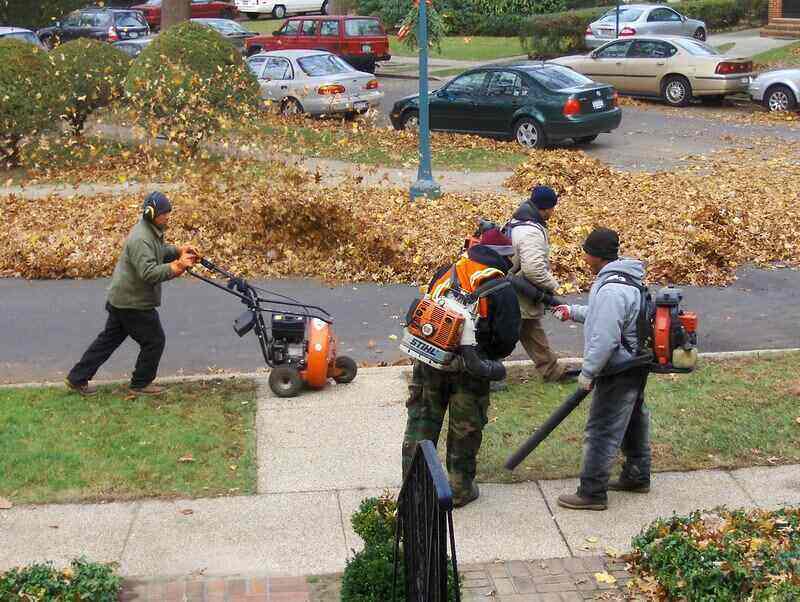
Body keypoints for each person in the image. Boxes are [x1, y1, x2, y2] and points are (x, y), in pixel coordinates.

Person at [402, 228, 521, 508]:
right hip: (472, 370)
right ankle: (459, 489)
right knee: (465, 429)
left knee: (421, 423)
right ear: (504, 259)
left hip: (429, 360)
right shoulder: (502, 288)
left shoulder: (447, 271)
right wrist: (489, 357)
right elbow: (506, 339)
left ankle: (414, 488)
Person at [551, 227, 651, 511]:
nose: (583, 256)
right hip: (634, 364)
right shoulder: (626, 282)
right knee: (633, 420)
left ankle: (592, 492)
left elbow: (606, 338)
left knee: (602, 429)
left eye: (585, 251)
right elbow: (608, 319)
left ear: (593, 255)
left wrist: (588, 373)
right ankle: (636, 475)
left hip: (617, 369)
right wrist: (573, 312)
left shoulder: (611, 290)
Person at [64, 191, 199, 397]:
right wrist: (176, 267)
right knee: (154, 341)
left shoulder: (150, 230)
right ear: (151, 213)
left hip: (122, 299)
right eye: (164, 213)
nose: (167, 217)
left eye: (168, 213)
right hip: (132, 303)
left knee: (107, 341)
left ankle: (76, 378)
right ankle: (141, 383)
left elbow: (158, 251)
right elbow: (148, 273)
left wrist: (179, 250)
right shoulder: (140, 238)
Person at [506, 185, 571, 383]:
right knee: (505, 333)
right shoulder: (530, 232)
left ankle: (551, 370)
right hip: (517, 290)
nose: (553, 212)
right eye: (552, 207)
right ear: (545, 208)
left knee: (530, 329)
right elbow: (533, 269)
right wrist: (553, 287)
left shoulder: (519, 220)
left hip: (514, 286)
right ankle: (488, 373)